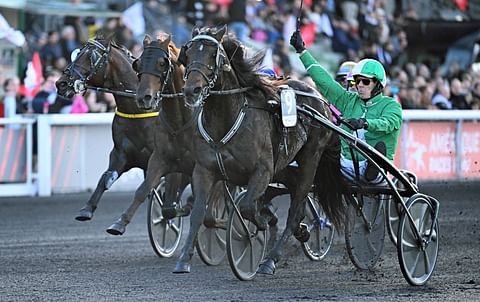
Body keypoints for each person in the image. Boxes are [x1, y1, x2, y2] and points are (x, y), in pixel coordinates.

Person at [289, 30, 402, 183]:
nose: (359, 86)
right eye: (357, 81)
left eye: (366, 82)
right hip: (345, 166)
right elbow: (325, 82)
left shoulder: (391, 105)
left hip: (378, 172)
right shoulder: (348, 100)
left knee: (376, 150)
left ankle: (374, 166)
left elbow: (389, 123)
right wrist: (302, 51)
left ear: (378, 85)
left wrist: (366, 123)